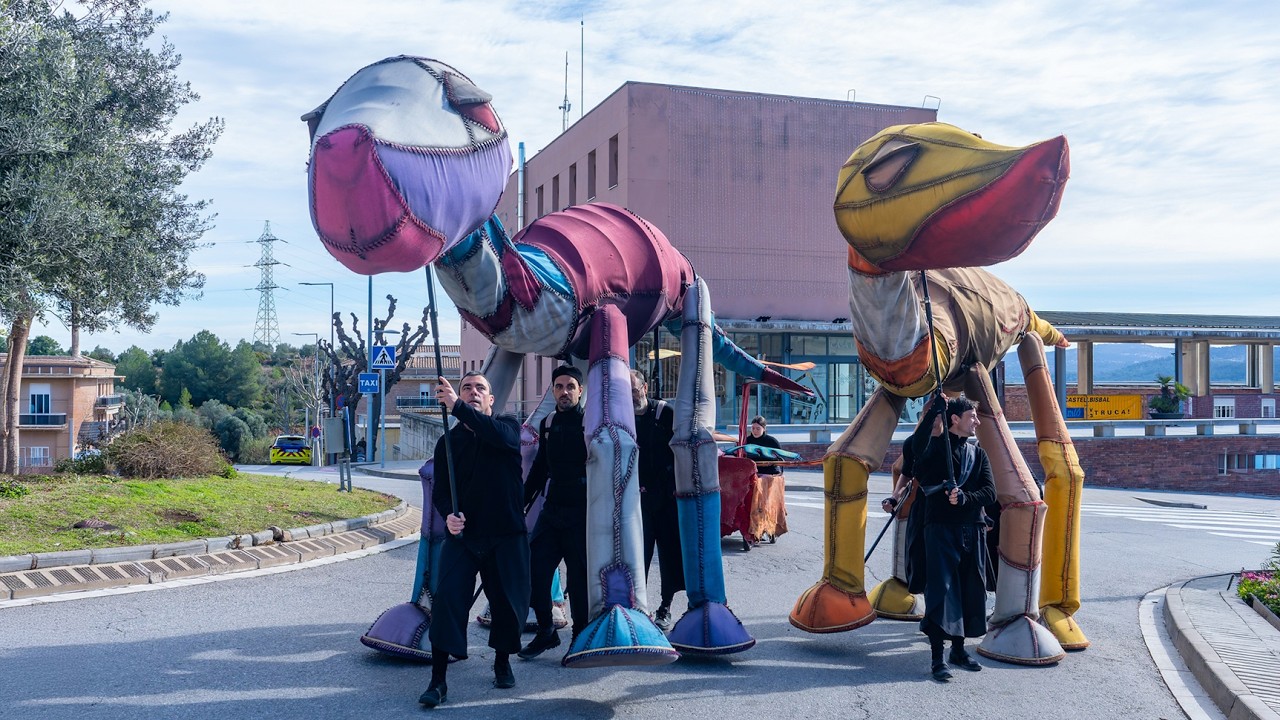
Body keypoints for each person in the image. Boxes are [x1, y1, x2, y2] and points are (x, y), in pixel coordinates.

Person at [421, 373, 530, 708]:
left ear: (491, 400)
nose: (472, 392)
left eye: (480, 388)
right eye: (466, 388)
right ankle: (438, 679)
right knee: (447, 602)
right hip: (465, 538)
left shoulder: (508, 427)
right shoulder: (447, 444)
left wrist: (456, 407)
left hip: (506, 535)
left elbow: (497, 435)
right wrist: (449, 515)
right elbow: (441, 493)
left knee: (507, 605)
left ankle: (502, 661)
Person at [912, 395, 996, 682]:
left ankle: (959, 650)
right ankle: (937, 657)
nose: (977, 421)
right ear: (955, 419)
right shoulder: (935, 448)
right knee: (941, 593)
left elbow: (989, 492)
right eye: (973, 416)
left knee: (969, 590)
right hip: (939, 529)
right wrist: (933, 413)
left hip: (971, 530)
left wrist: (964, 498)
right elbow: (913, 458)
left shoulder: (979, 454)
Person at [518, 365, 589, 660]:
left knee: (578, 580)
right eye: (558, 387)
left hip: (582, 512)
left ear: (580, 390)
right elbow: (539, 469)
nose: (564, 392)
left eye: (570, 386)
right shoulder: (546, 423)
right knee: (535, 570)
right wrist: (519, 502)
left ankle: (580, 638)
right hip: (553, 508)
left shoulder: (590, 423)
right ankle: (547, 632)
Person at [631, 370, 684, 630]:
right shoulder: (622, 417)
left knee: (669, 554)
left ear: (645, 387)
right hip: (637, 500)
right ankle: (637, 606)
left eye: (634, 389)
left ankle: (665, 607)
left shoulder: (665, 413)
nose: (631, 396)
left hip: (666, 497)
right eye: (626, 392)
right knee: (637, 555)